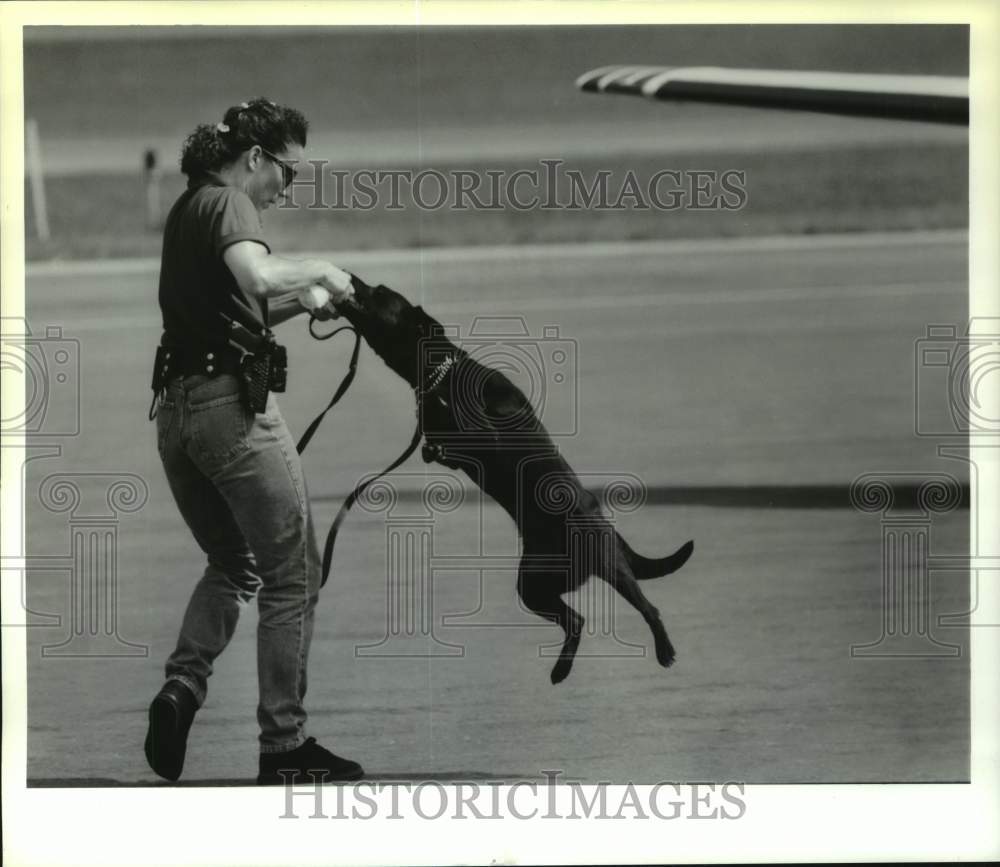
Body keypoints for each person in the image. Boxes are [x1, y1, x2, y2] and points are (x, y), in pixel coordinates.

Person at [144, 97, 361, 785]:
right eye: (286, 174)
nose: (286, 189)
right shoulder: (234, 204)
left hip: (176, 418)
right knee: (294, 569)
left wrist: (309, 300)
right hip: (228, 412)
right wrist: (322, 269)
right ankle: (286, 744)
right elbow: (260, 277)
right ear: (256, 158)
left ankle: (182, 687)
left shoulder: (190, 207)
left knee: (233, 562)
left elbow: (248, 306)